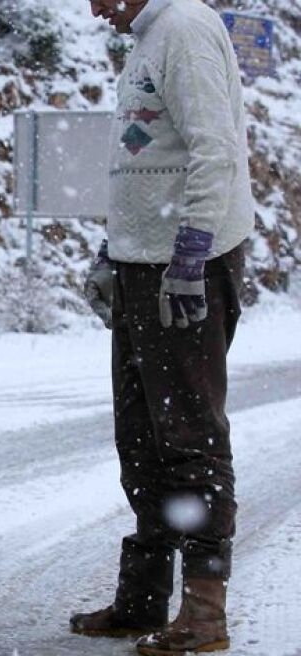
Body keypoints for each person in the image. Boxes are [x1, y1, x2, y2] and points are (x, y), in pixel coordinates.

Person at [76, 0, 254, 654]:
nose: (92, 8)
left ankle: (204, 609)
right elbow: (148, 159)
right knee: (142, 434)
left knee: (189, 433)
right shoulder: (148, 37)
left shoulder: (183, 27)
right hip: (141, 263)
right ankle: (144, 596)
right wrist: (112, 249)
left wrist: (190, 252)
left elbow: (216, 146)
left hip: (186, 264)